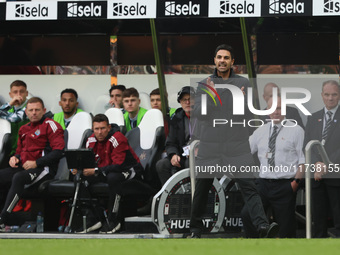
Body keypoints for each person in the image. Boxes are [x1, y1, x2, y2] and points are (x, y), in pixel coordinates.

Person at [189, 44, 278, 238]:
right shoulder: (204, 84)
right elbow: (198, 114)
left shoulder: (243, 83)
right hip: (210, 145)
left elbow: (248, 113)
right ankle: (195, 229)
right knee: (202, 188)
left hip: (237, 145)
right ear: (214, 60)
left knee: (249, 185)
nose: (222, 60)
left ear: (232, 62)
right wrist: (212, 97)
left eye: (226, 58)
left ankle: (262, 226)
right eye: (219, 57)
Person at [241, 97, 305, 238]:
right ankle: (255, 247)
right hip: (263, 184)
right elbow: (244, 151)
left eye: (279, 108)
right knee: (247, 214)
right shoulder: (260, 131)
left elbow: (303, 161)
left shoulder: (296, 130)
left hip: (285, 185)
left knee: (285, 229)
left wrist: (295, 183)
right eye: (273, 108)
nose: (276, 112)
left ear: (285, 110)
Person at [70, 114, 144, 234]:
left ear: (109, 127)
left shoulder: (117, 138)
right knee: (79, 178)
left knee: (113, 178)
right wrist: (79, 168)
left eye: (103, 128)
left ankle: (113, 220)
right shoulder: (90, 140)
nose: (100, 132)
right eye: (97, 129)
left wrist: (95, 171)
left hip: (129, 170)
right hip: (106, 170)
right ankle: (93, 219)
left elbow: (118, 165)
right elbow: (88, 161)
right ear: (92, 129)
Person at [0, 97, 64, 230]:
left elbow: (59, 151)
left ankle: (3, 218)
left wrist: (37, 163)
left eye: (37, 110)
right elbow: (19, 151)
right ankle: (9, 217)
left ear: (43, 111)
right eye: (31, 110)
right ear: (26, 112)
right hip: (24, 168)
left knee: (18, 178)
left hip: (44, 169)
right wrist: (15, 158)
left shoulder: (51, 125)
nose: (34, 113)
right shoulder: (23, 129)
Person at [304, 80, 340, 238]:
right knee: (318, 221)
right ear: (322, 95)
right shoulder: (313, 118)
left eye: (334, 94)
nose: (330, 98)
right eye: (327, 94)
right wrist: (316, 164)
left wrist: (326, 164)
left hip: (336, 177)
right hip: (317, 178)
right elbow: (307, 145)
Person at [156, 86, 195, 186]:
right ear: (180, 102)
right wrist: (173, 154)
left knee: (189, 163)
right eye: (184, 100)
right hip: (182, 155)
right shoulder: (177, 118)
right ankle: (172, 195)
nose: (187, 102)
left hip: (200, 156)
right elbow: (170, 143)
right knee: (162, 165)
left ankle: (192, 195)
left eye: (190, 99)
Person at [0, 80, 30, 156]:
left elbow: (17, 118)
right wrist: (10, 104)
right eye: (15, 92)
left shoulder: (31, 107)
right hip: (9, 151)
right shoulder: (9, 109)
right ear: (10, 94)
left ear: (26, 93)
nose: (18, 95)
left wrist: (3, 114)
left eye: (21, 92)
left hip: (26, 151)